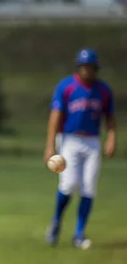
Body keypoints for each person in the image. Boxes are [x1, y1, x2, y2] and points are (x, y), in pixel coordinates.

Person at [43, 48, 117, 249]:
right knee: (68, 184)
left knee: (89, 187)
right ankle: (56, 222)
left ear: (95, 69)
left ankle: (79, 234)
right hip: (69, 140)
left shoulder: (103, 90)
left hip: (92, 141)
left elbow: (110, 118)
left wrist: (111, 138)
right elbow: (55, 116)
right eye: (83, 66)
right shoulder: (66, 87)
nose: (87, 70)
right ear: (78, 67)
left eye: (90, 67)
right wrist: (50, 146)